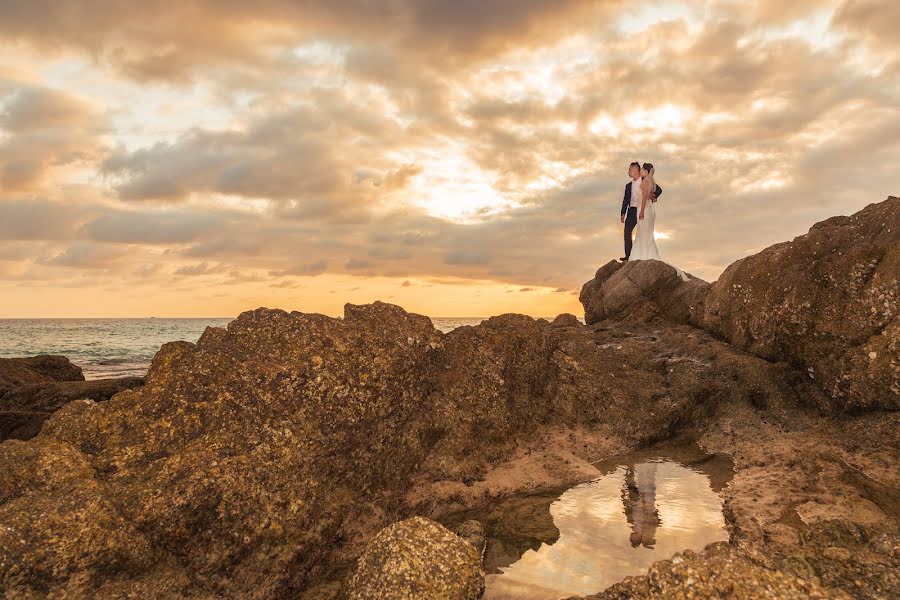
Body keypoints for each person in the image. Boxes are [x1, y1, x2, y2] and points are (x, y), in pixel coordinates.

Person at [620, 162, 661, 261]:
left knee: (643, 231)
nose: (628, 171)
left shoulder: (645, 179)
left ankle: (644, 253)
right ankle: (628, 255)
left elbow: (659, 190)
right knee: (627, 231)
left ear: (635, 170)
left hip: (642, 210)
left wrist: (652, 197)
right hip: (632, 210)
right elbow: (625, 199)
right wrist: (623, 213)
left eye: (630, 169)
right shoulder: (628, 186)